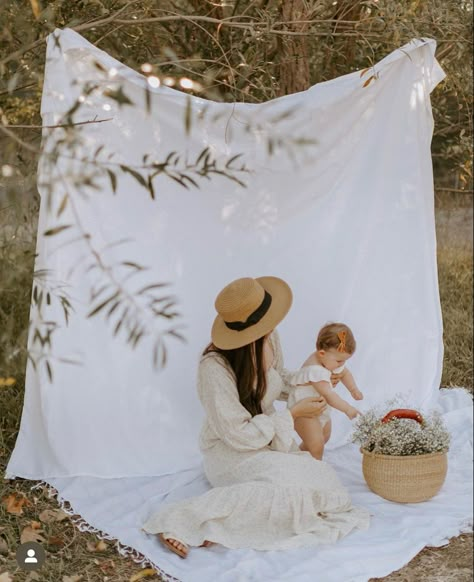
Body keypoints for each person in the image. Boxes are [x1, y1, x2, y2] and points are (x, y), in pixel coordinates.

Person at [142, 276, 370, 558]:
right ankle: (182, 520)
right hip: (231, 451)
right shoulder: (214, 368)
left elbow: (278, 380)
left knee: (326, 484)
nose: (271, 327)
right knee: (284, 493)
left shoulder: (269, 337)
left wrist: (312, 383)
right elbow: (238, 435)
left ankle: (231, 520)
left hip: (267, 441)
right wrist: (293, 414)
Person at [287, 323, 364, 460]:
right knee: (316, 444)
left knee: (324, 437)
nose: (341, 364)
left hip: (319, 406)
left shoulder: (329, 358)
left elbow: (344, 373)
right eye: (339, 361)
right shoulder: (315, 370)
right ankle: (317, 470)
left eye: (344, 361)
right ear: (321, 353)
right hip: (304, 410)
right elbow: (329, 395)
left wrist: (353, 389)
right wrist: (348, 409)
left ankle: (298, 457)